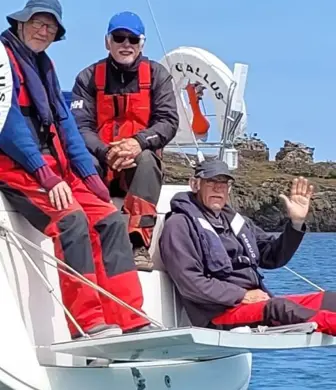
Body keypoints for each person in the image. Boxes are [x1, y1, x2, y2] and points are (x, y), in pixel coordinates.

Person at [0, 0, 151, 340]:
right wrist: (45, 174)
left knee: (110, 218)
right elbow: (9, 126)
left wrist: (90, 177)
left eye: (51, 27)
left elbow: (66, 125)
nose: (44, 31)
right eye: (38, 23)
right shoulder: (3, 62)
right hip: (20, 169)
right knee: (71, 219)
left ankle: (128, 317)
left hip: (58, 168)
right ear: (22, 22)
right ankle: (87, 323)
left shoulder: (45, 65)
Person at [159, 160, 336, 336]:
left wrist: (296, 224)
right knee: (280, 308)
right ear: (195, 184)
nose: (217, 188)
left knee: (330, 299)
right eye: (211, 182)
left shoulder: (236, 222)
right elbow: (190, 282)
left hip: (255, 302)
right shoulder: (179, 225)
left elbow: (272, 256)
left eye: (223, 183)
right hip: (219, 314)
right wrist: (242, 295)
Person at [70, 11, 179, 271]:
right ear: (108, 42)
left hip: (137, 163)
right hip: (101, 160)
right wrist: (104, 151)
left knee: (147, 161)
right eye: (119, 38)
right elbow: (79, 126)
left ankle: (138, 242)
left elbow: (168, 122)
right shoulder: (87, 78)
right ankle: (85, 241)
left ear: (142, 43)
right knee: (81, 162)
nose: (126, 44)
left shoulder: (157, 75)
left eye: (132, 39)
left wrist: (138, 143)